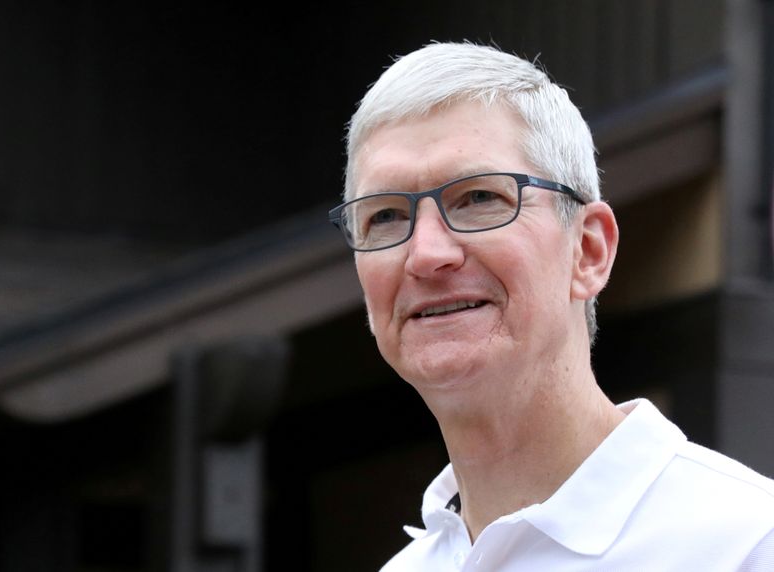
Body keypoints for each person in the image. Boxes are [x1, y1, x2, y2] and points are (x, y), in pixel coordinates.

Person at [328, 42, 774, 570]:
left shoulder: (746, 544)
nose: (426, 254)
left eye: (478, 199)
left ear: (588, 250)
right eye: (384, 216)